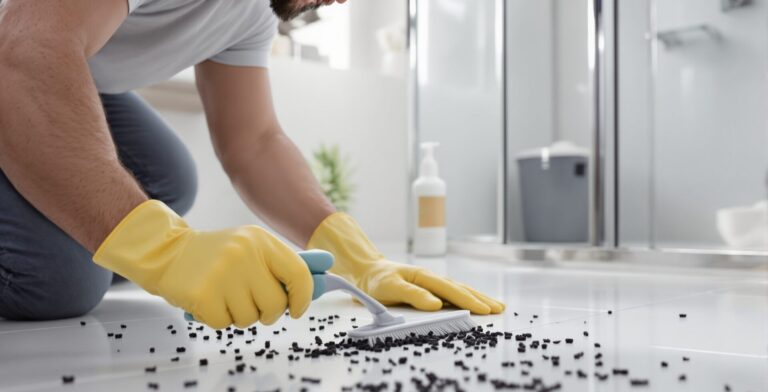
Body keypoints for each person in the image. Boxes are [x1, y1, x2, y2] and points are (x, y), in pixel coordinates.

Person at [0, 0, 505, 328]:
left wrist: (357, 256)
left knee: (167, 178)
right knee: (61, 279)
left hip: (52, 64)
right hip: (16, 53)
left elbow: (254, 141)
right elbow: (27, 49)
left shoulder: (254, 11)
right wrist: (162, 251)